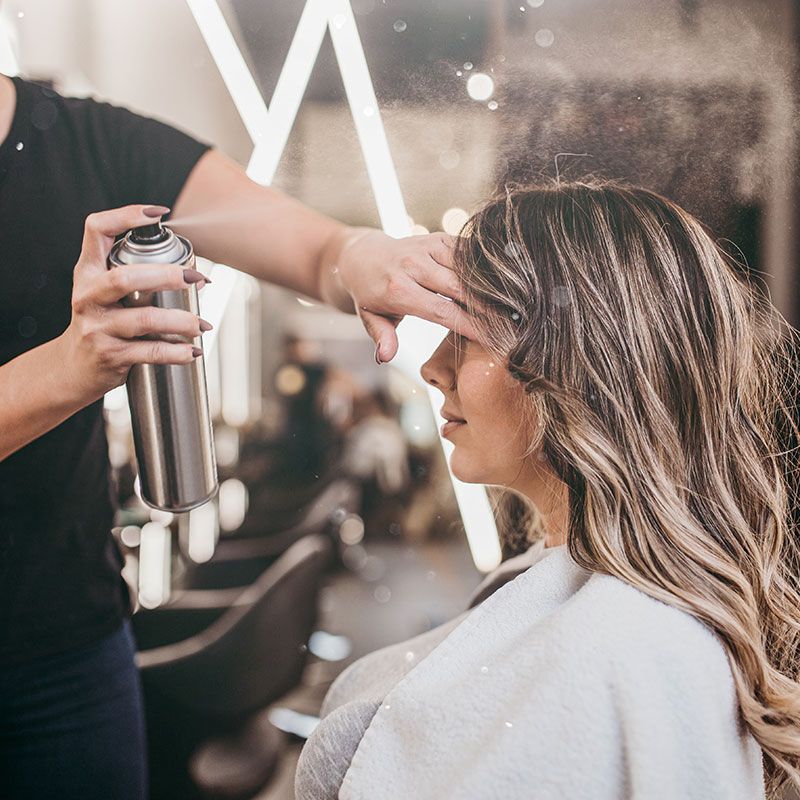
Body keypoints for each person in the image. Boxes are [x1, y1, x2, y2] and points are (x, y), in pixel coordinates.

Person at [0, 72, 473, 799]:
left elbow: (317, 251)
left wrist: (360, 255)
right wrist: (66, 368)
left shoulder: (93, 144)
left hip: (68, 639)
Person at [295, 181, 800, 799]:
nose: (432, 368)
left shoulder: (636, 648)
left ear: (581, 366)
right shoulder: (578, 602)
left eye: (467, 334)